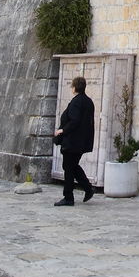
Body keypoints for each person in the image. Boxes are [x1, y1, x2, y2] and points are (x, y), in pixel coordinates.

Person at [53, 75, 95, 206]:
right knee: (71, 166)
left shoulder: (77, 102)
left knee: (69, 168)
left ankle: (69, 197)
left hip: (73, 141)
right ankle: (88, 188)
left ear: (75, 87)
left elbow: (75, 121)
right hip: (82, 141)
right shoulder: (88, 101)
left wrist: (62, 131)